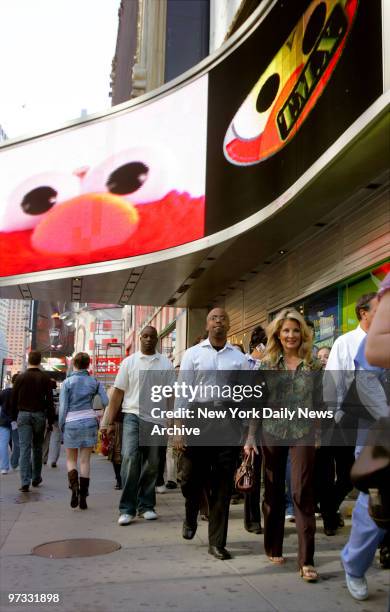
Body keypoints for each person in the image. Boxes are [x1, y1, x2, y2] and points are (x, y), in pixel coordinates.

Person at [245, 308, 322, 582]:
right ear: (278, 333)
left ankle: (306, 560)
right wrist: (251, 436)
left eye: (296, 330)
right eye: (286, 330)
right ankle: (273, 545)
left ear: (303, 333)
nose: (291, 335)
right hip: (272, 432)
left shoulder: (313, 365)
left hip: (303, 431)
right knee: (274, 490)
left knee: (302, 491)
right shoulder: (267, 365)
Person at [175, 308, 249, 560]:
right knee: (191, 479)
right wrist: (178, 428)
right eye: (214, 318)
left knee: (222, 486)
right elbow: (183, 392)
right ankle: (190, 514)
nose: (219, 321)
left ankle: (217, 542)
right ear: (207, 325)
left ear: (229, 325)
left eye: (223, 318)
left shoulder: (239, 358)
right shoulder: (193, 354)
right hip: (198, 418)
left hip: (227, 421)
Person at [102, 326, 173, 525]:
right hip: (132, 415)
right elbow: (117, 393)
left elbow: (170, 394)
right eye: (145, 336)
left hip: (156, 419)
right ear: (140, 338)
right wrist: (107, 421)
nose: (149, 340)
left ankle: (147, 506)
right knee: (130, 459)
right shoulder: (129, 363)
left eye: (152, 337)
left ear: (158, 340)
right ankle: (127, 508)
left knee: (152, 465)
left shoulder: (165, 363)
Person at [320, 292, 378, 534]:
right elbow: (332, 382)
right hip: (350, 421)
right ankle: (328, 510)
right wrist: (336, 416)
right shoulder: (345, 342)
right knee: (348, 477)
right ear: (363, 313)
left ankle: (382, 537)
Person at [341, 331, 389, 601]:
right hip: (382, 437)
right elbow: (367, 381)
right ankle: (355, 565)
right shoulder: (383, 331)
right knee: (375, 510)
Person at [59, 352, 108, 509]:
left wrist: (61, 425)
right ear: (88, 365)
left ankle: (74, 487)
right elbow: (106, 401)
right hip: (89, 421)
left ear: (74, 364)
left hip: (71, 423)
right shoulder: (94, 382)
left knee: (71, 460)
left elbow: (63, 408)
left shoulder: (67, 383)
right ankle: (83, 496)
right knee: (85, 460)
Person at [11, 351, 54, 492]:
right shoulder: (45, 378)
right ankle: (36, 477)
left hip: (23, 415)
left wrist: (13, 417)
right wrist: (51, 419)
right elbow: (50, 401)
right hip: (39, 416)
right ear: (40, 361)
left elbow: (13, 400)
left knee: (24, 448)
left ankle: (24, 481)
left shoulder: (20, 378)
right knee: (37, 447)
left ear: (28, 360)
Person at [243, 325, 267, 534]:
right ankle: (252, 518)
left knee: (269, 471)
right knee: (252, 467)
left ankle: (260, 516)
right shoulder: (244, 364)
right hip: (251, 422)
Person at [0, 374, 20, 474]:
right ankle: (14, 463)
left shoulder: (4, 392)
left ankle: (4, 467)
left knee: (3, 444)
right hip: (16, 421)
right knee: (17, 444)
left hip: (3, 421)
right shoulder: (21, 394)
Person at [42, 379, 61, 468]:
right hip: (58, 418)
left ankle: (44, 458)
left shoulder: (44, 393)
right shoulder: (59, 393)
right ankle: (54, 460)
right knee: (56, 439)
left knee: (45, 439)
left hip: (46, 418)